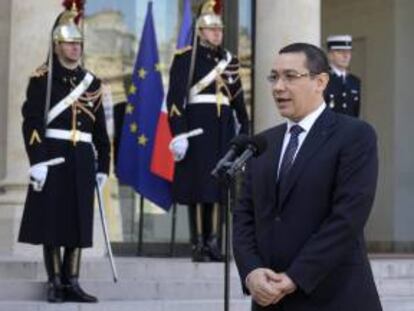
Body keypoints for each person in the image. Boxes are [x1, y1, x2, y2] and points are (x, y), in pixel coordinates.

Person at [233, 43, 382, 311]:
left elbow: (347, 217)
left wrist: (295, 277)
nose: (278, 87)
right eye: (274, 77)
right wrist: (251, 272)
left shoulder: (354, 135)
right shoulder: (263, 143)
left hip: (335, 297)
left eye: (290, 76)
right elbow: (244, 216)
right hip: (270, 300)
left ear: (320, 81)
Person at [18, 5, 110, 303]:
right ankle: (55, 281)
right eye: (70, 43)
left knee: (78, 220)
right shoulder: (42, 79)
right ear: (57, 46)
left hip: (82, 155)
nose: (76, 48)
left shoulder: (91, 82)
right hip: (53, 155)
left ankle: (73, 281)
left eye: (79, 43)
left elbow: (100, 131)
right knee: (52, 220)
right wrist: (38, 161)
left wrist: (103, 166)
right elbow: (31, 121)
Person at [167, 0, 249, 262]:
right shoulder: (185, 59)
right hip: (197, 129)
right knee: (198, 187)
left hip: (222, 130)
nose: (217, 33)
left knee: (217, 188)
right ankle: (198, 244)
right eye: (211, 29)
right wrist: (178, 133)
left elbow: (238, 102)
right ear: (200, 31)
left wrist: (244, 130)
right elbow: (175, 101)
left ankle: (213, 243)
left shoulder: (229, 62)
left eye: (220, 30)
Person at [324, 35, 361, 117]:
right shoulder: (324, 79)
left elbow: (355, 112)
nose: (346, 56)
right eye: (340, 52)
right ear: (330, 54)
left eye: (348, 52)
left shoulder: (354, 81)